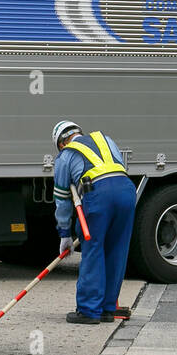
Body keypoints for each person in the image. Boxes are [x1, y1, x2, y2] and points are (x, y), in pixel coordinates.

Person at [51, 119, 138, 324]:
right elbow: (118, 168)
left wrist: (64, 234)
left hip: (99, 195)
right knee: (117, 249)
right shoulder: (105, 139)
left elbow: (62, 200)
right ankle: (108, 308)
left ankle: (89, 310)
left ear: (61, 143)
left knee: (94, 249)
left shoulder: (65, 156)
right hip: (126, 191)